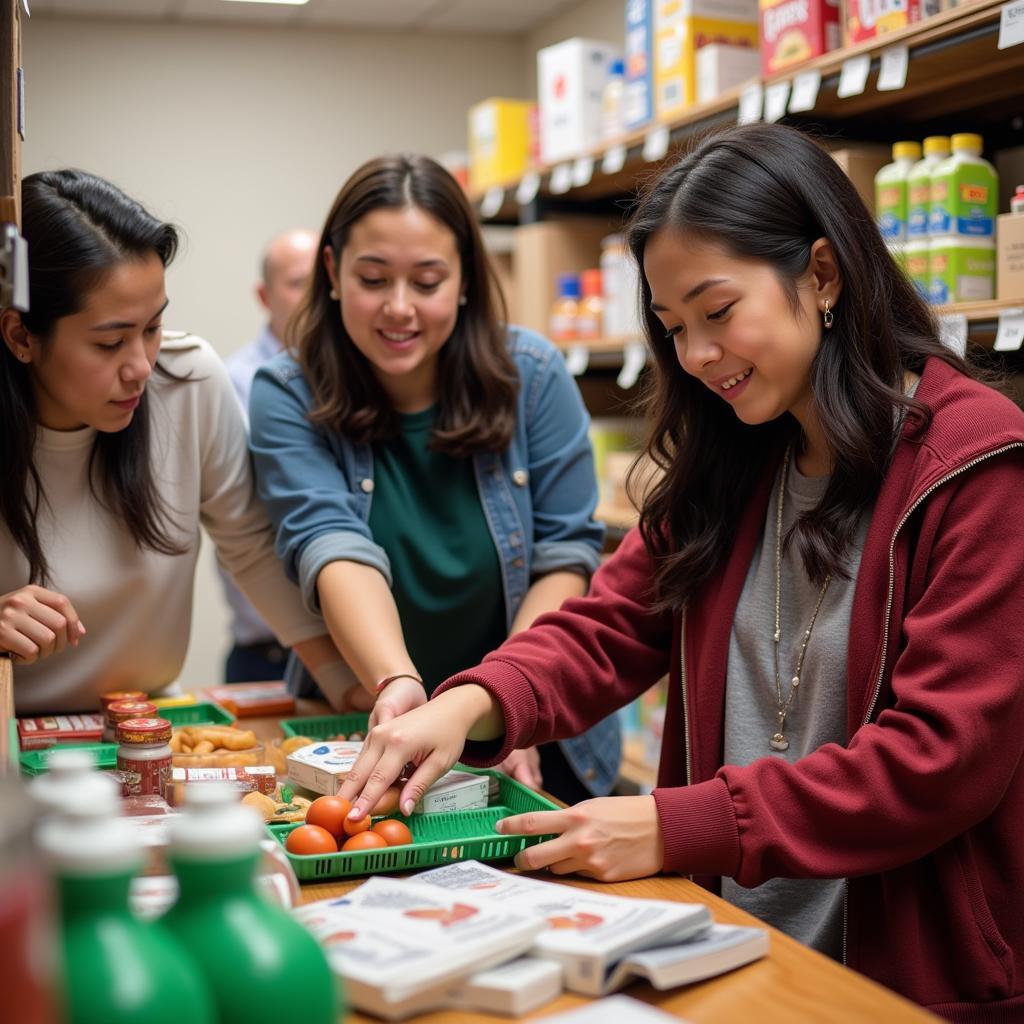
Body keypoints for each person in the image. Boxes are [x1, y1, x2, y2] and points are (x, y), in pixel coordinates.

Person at [337, 124, 1024, 1019]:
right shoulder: (733, 457)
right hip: (728, 950)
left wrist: (679, 823)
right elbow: (610, 624)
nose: (697, 357)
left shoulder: (976, 466)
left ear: (821, 274)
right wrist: (469, 705)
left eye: (718, 311)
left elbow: (939, 761)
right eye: (671, 327)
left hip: (902, 978)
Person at [249, 154, 620, 803]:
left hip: (531, 731)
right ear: (333, 273)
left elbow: (565, 560)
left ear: (466, 280)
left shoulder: (531, 376)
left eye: (427, 282)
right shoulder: (287, 392)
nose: (399, 308)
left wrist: (508, 700)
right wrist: (396, 682)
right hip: (370, 722)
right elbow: (331, 545)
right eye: (373, 278)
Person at [0, 170, 340, 713]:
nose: (141, 367)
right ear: (21, 336)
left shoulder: (190, 381)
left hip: (146, 720)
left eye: (153, 328)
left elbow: (250, 545)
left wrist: (344, 680)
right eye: (110, 342)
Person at [218, 227, 322, 684]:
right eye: (300, 282)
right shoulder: (234, 384)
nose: (317, 295)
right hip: (271, 654)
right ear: (265, 295)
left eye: (325, 279)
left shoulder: (360, 376)